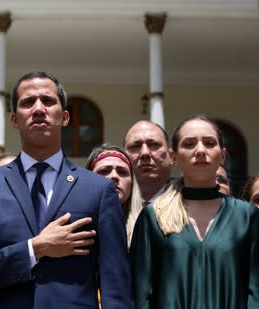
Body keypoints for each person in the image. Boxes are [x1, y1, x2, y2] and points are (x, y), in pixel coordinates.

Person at [0, 71, 133, 308]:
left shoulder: (98, 190)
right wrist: (34, 249)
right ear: (14, 119)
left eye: (48, 101)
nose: (38, 109)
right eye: (27, 103)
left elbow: (115, 286)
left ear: (65, 117)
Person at [130, 114, 259, 308]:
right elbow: (141, 294)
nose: (200, 150)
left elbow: (256, 290)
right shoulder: (152, 217)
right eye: (189, 144)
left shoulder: (247, 217)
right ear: (173, 156)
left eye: (209, 143)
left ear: (222, 155)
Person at [85, 144, 142, 247]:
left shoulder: (146, 227)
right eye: (104, 171)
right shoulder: (74, 227)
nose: (114, 176)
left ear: (132, 183)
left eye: (122, 172)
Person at [123, 120, 172, 205]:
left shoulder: (193, 204)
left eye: (154, 144)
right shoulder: (109, 207)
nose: (145, 153)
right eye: (135, 146)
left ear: (171, 156)